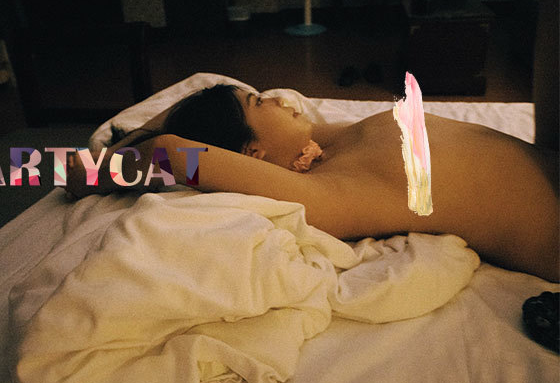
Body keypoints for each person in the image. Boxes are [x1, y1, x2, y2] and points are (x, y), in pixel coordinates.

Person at [65, 84, 558, 283]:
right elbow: (170, 150)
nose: (280, 99)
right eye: (260, 103)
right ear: (251, 153)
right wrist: (90, 169)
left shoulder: (325, 143)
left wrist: (138, 132)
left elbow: (196, 103)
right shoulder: (331, 191)